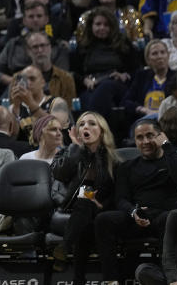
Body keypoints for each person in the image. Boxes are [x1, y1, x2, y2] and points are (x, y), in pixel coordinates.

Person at [93, 119, 177, 284]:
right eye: (140, 137)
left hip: (163, 216)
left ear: (160, 136)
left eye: (150, 136)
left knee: (172, 218)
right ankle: (111, 280)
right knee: (103, 220)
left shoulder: (173, 160)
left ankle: (172, 279)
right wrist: (133, 212)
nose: (145, 141)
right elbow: (121, 199)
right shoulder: (127, 167)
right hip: (136, 216)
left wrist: (167, 146)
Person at [51, 112, 121, 277]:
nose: (85, 127)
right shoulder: (68, 153)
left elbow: (117, 193)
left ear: (102, 131)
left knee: (87, 222)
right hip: (69, 211)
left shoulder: (114, 160)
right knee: (84, 201)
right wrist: (75, 147)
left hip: (101, 212)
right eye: (81, 124)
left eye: (91, 124)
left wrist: (102, 204)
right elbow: (60, 174)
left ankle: (65, 249)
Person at [124, 40, 172, 121]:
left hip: (170, 121)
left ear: (168, 55)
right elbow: (126, 101)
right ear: (148, 59)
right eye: (154, 53)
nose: (159, 56)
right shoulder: (141, 76)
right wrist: (144, 110)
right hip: (145, 120)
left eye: (163, 52)